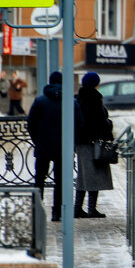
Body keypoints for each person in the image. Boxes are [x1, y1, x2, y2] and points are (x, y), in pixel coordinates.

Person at [27, 71, 82, 222]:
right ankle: (57, 212)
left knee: (39, 179)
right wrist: (73, 144)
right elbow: (78, 125)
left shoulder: (39, 101)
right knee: (61, 180)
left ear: (50, 82)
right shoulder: (71, 102)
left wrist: (37, 140)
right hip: (63, 148)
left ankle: (37, 210)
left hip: (43, 146)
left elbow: (31, 124)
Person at [74, 71, 114, 218]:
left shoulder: (79, 98)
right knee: (93, 176)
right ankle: (90, 209)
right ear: (95, 83)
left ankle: (78, 208)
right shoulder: (94, 99)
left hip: (81, 142)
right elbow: (99, 121)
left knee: (84, 176)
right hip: (93, 142)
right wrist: (109, 124)